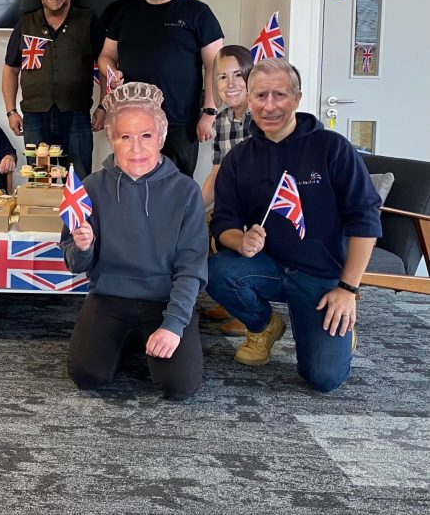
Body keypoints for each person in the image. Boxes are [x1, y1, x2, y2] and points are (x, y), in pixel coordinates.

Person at [208, 58, 382, 392]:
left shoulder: (333, 148)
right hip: (267, 267)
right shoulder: (238, 158)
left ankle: (342, 327)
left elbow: (365, 219)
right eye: (260, 96)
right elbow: (224, 222)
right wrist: (239, 241)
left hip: (323, 277)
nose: (269, 106)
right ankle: (264, 326)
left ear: (297, 99)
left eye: (279, 95)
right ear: (249, 96)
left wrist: (348, 290)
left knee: (323, 379)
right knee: (217, 270)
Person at [63, 82, 208, 400]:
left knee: (179, 387)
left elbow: (191, 267)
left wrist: (173, 324)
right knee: (87, 375)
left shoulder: (185, 192)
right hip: (110, 297)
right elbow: (75, 263)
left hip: (164, 300)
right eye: (124, 137)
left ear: (161, 137)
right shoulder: (90, 188)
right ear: (112, 139)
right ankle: (126, 340)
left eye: (146, 136)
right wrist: (83, 247)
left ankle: (158, 335)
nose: (136, 148)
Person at [98, 0, 224, 177]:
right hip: (132, 124)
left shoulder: (198, 12)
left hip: (179, 124)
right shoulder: (125, 13)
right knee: (132, 189)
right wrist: (111, 71)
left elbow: (216, 65)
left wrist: (209, 112)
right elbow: (105, 57)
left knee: (176, 191)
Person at [1, 0, 106, 179]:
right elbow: (11, 69)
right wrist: (11, 111)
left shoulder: (88, 20)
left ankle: (78, 216)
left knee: (79, 179)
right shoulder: (25, 23)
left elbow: (106, 63)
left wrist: (104, 106)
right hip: (34, 116)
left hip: (76, 114)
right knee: (38, 180)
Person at [199, 45, 255, 336]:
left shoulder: (261, 117)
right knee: (202, 227)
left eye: (237, 75)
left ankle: (250, 315)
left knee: (233, 233)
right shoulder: (221, 120)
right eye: (222, 77)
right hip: (232, 202)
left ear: (250, 77)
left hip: (260, 205)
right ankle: (231, 300)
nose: (230, 84)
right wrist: (193, 208)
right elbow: (217, 172)